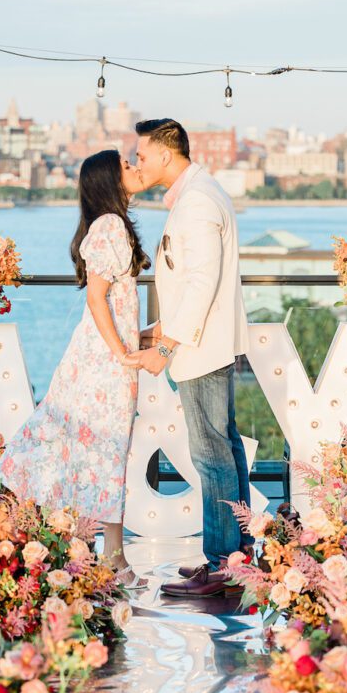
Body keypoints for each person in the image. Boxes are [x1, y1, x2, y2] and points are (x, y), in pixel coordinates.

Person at [0, 149, 150, 588]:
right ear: (110, 182)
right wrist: (122, 352)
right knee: (103, 449)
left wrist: (138, 339)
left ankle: (99, 550)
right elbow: (97, 299)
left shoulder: (107, 226)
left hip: (98, 357)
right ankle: (112, 556)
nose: (135, 169)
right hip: (103, 363)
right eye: (126, 166)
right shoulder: (110, 227)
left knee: (87, 447)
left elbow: (112, 303)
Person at [131, 118, 253, 598]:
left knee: (210, 454)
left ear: (165, 154)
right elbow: (191, 281)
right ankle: (240, 555)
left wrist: (166, 346)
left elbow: (202, 283)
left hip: (201, 347)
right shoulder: (195, 194)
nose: (138, 162)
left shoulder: (198, 201)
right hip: (201, 341)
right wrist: (158, 331)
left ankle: (223, 564)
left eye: (141, 155)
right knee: (225, 447)